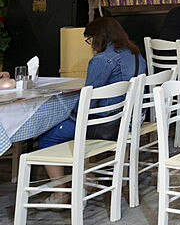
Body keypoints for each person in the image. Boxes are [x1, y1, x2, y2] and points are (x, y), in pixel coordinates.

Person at [38, 17, 147, 181]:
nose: (90, 44)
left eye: (90, 39)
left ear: (99, 37)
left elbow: (88, 101)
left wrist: (69, 116)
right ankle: (90, 176)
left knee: (47, 136)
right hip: (132, 120)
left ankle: (60, 192)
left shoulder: (102, 60)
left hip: (108, 125)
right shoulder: (136, 55)